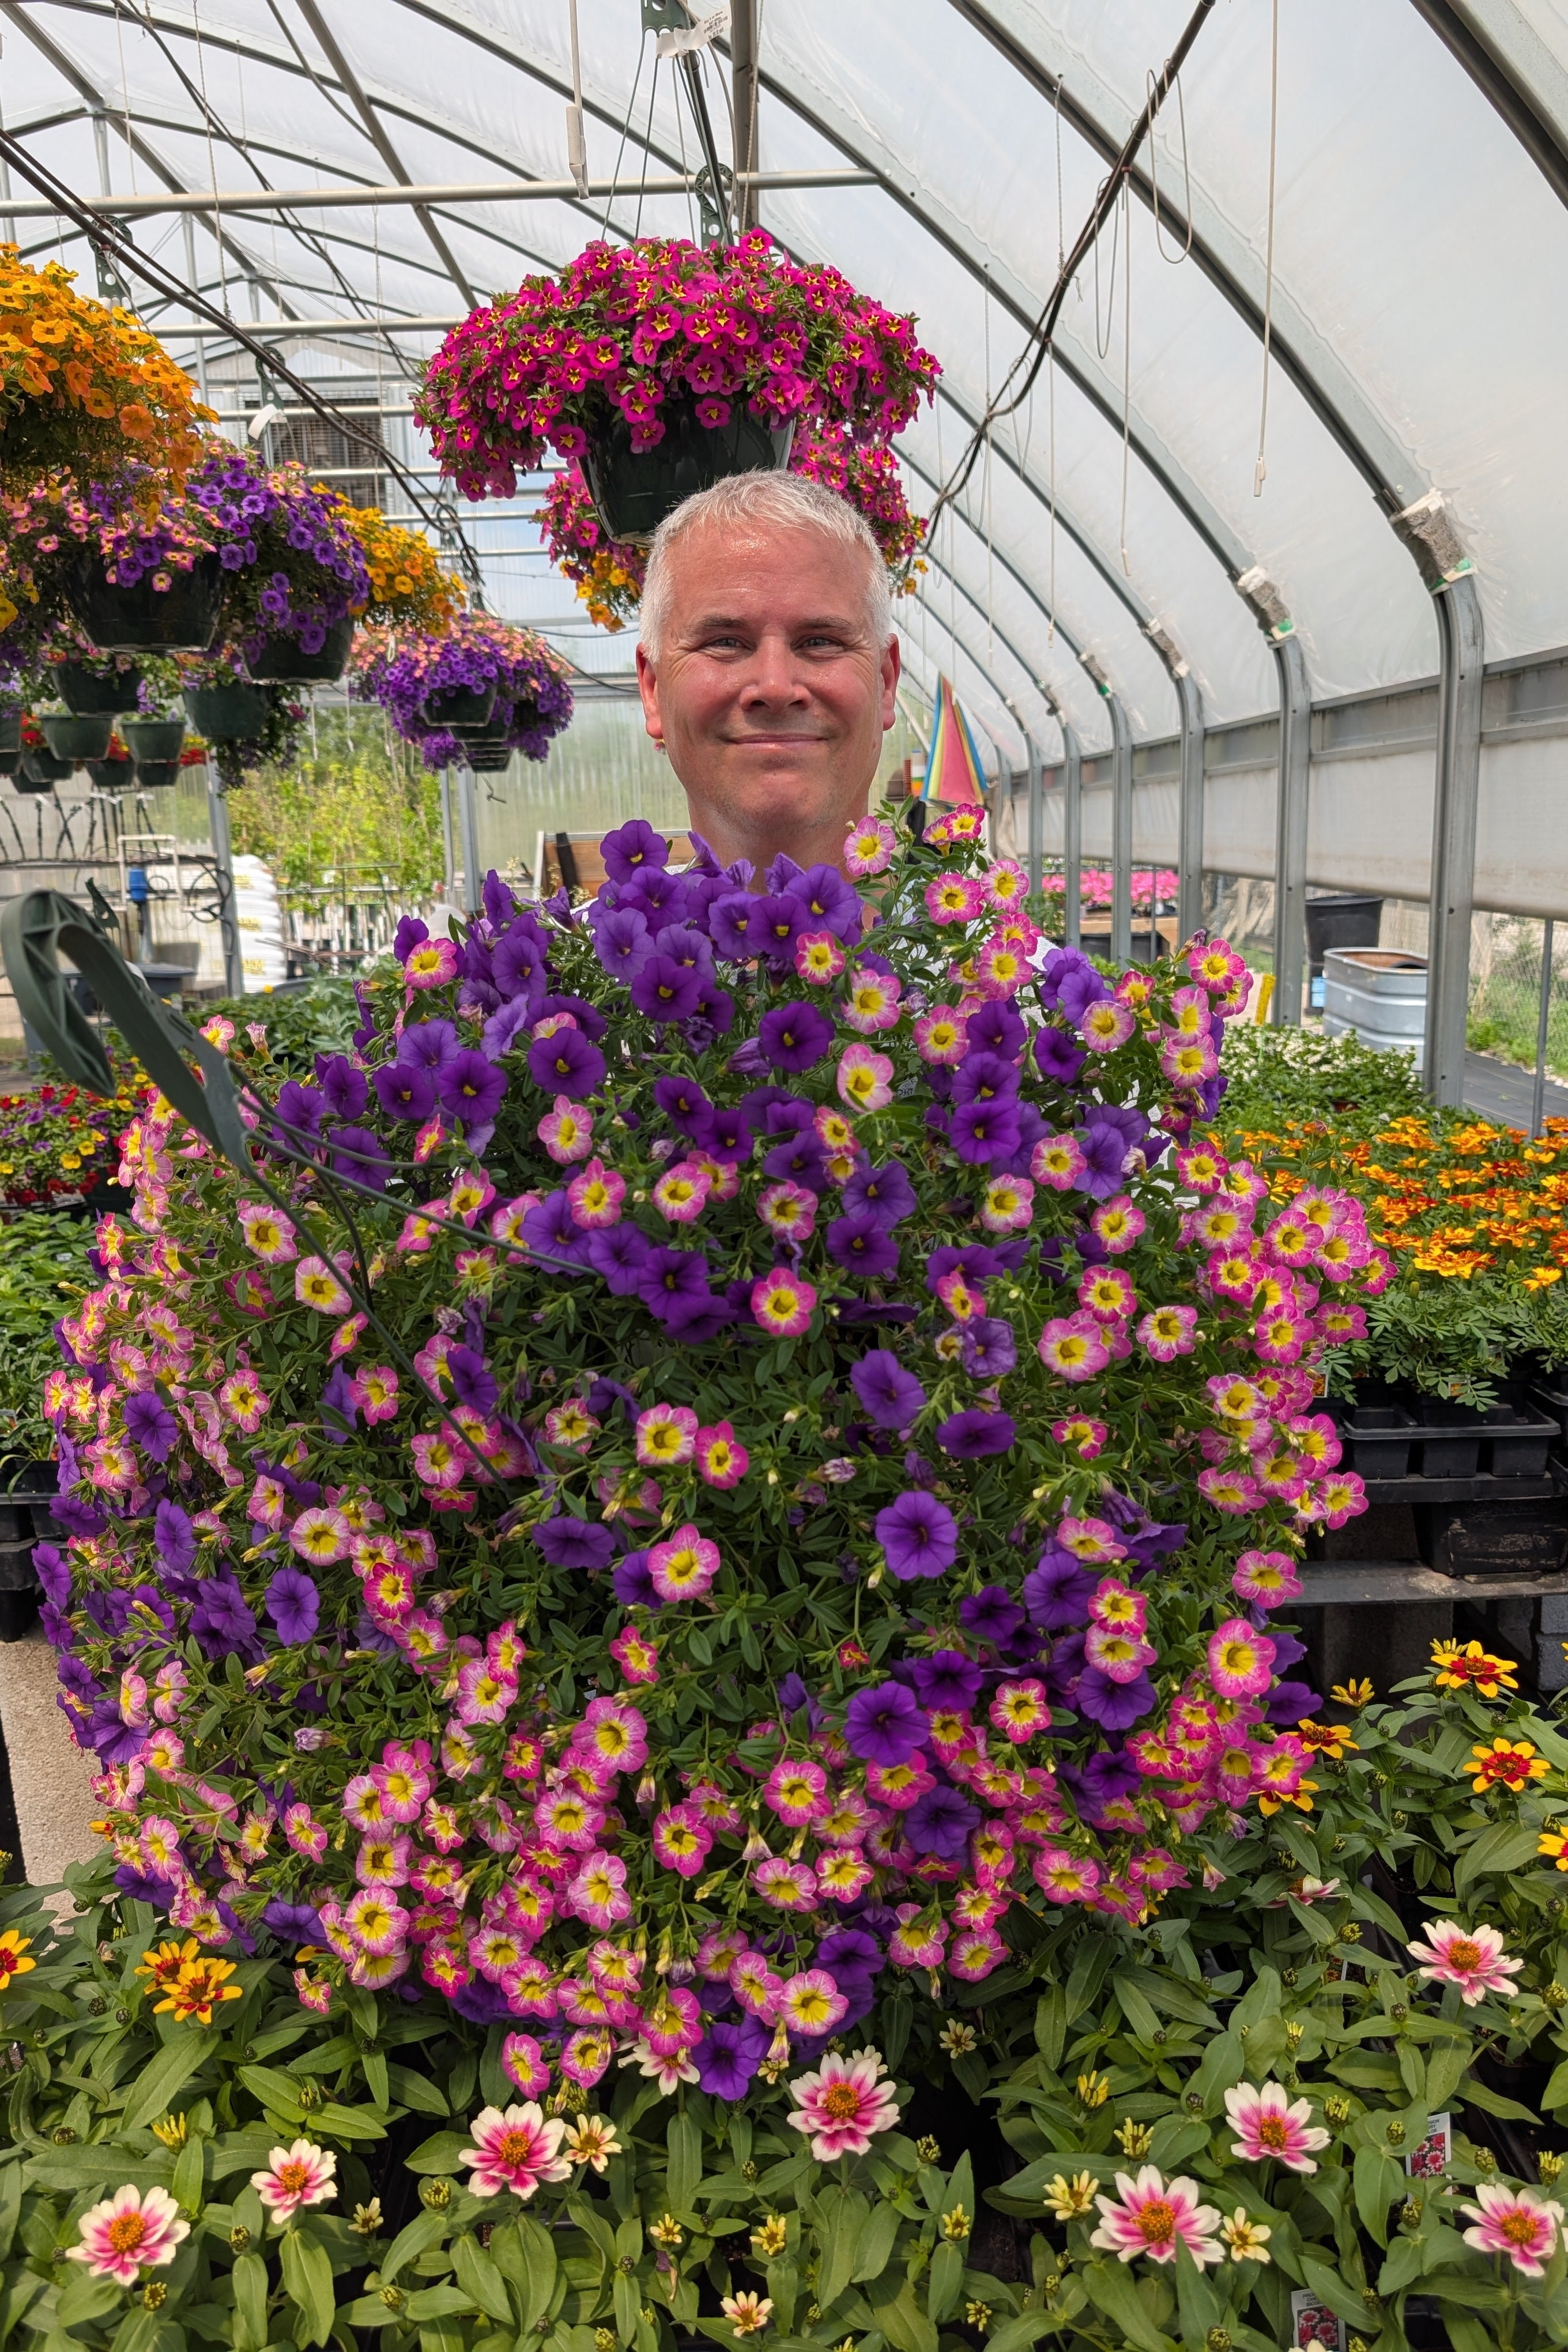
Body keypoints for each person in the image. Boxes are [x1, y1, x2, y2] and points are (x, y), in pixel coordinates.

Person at [634, 470, 900, 879]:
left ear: (885, 682)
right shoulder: (577, 927)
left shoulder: (998, 925)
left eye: (820, 642)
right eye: (725, 642)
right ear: (653, 689)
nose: (775, 687)